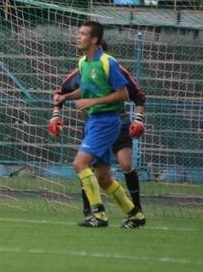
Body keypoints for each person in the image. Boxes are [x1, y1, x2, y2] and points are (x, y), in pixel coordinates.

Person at [53, 21, 146, 229]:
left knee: (79, 164)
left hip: (107, 121)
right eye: (78, 33)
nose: (78, 37)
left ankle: (98, 215)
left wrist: (93, 102)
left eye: (83, 34)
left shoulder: (108, 62)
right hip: (93, 122)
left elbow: (123, 94)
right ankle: (135, 215)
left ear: (94, 39)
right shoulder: (82, 64)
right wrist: (66, 97)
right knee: (103, 177)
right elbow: (85, 89)